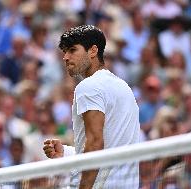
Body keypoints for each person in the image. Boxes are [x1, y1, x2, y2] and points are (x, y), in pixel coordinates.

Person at [43, 25, 140, 189]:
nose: (66, 57)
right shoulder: (123, 87)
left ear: (93, 51)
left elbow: (95, 143)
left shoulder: (88, 87)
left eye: (73, 50)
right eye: (64, 51)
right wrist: (66, 153)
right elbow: (108, 149)